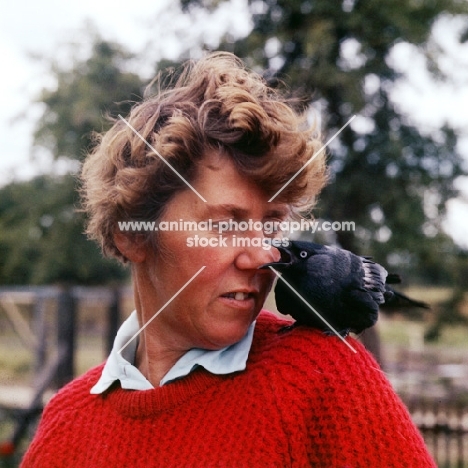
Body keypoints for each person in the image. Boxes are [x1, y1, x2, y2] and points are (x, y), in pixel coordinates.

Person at [21, 52, 436, 467]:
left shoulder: (326, 375)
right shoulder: (65, 424)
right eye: (224, 225)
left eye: (271, 225)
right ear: (132, 237)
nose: (260, 255)